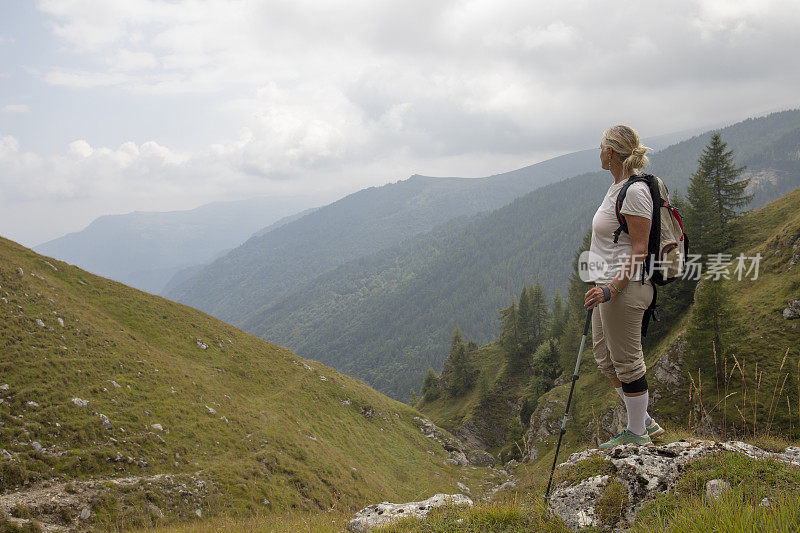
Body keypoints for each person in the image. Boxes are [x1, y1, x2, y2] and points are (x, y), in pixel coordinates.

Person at [584, 124, 665, 448]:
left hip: (625, 288)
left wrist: (612, 288)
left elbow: (640, 250)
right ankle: (644, 420)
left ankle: (637, 434)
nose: (599, 152)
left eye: (602, 146)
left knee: (628, 362)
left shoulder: (634, 191)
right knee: (605, 357)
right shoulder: (617, 187)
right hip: (607, 287)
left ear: (612, 153)